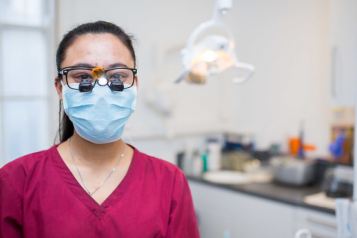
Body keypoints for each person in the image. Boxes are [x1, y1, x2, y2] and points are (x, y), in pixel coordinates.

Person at [0, 21, 200, 238]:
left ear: (135, 86)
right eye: (83, 77)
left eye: (117, 76)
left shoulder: (169, 182)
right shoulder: (18, 180)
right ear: (60, 88)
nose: (101, 91)